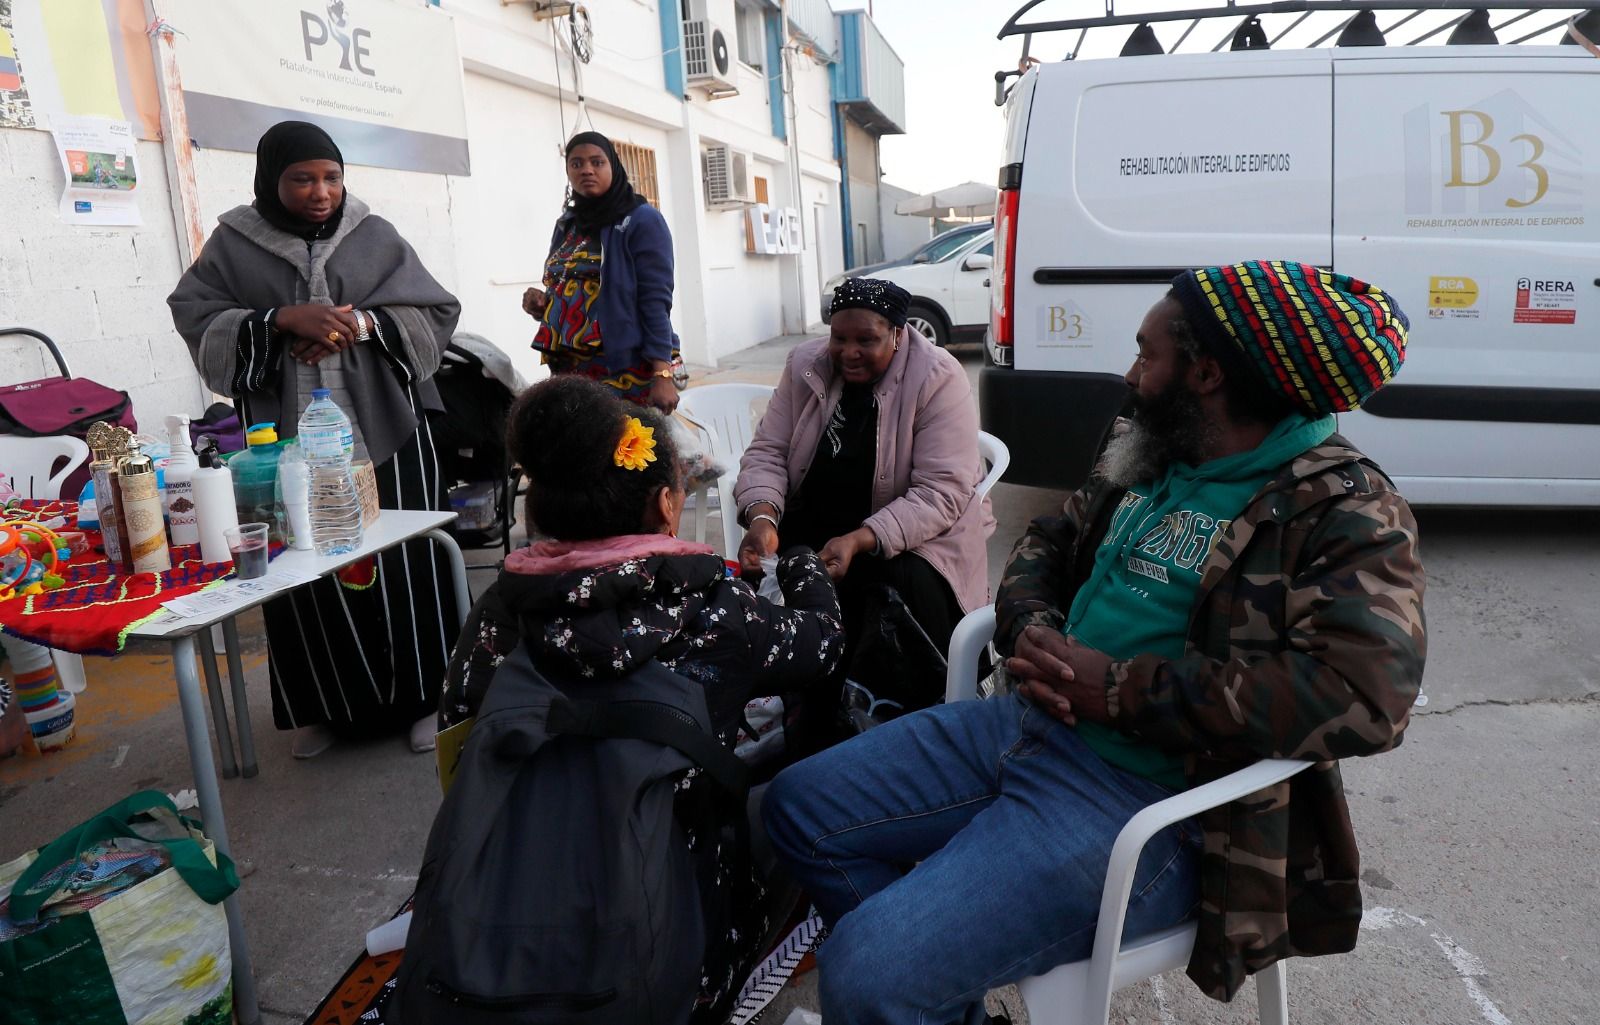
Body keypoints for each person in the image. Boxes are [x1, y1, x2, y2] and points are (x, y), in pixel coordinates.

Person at [762, 260, 1428, 1024]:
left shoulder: (1344, 509)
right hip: (1026, 721)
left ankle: (909, 976)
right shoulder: (1155, 445)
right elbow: (1046, 540)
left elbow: (1363, 697)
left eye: (1148, 354)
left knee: (864, 973)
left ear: (1208, 374)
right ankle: (938, 991)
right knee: (797, 808)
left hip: (1152, 804)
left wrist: (1112, 687)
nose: (1131, 371)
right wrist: (1031, 629)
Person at [437, 374, 844, 1015]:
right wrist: (799, 564)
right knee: (813, 780)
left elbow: (457, 733)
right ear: (663, 505)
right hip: (676, 919)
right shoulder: (712, 605)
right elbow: (822, 646)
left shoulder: (500, 607)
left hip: (515, 882)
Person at [168, 121, 462, 759]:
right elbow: (195, 314)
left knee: (407, 561)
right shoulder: (234, 243)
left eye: (330, 176)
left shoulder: (373, 234)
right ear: (272, 180)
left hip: (389, 432)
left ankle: (429, 698)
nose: (319, 192)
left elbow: (436, 311)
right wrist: (276, 322)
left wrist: (355, 323)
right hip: (286, 442)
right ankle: (329, 709)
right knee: (301, 562)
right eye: (301, 178)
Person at [733, 276, 992, 723]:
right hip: (819, 522)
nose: (848, 352)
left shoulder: (937, 376)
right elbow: (769, 452)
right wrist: (762, 515)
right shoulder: (804, 364)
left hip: (914, 538)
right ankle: (807, 706)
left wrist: (862, 538)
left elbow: (941, 491)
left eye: (865, 340)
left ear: (897, 333)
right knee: (777, 573)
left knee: (894, 583)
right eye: (839, 337)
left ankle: (887, 716)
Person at [523, 132, 679, 412]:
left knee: (628, 450)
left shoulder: (641, 220)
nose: (586, 170)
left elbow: (655, 300)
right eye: (576, 164)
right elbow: (569, 287)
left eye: (597, 162)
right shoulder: (568, 224)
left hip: (623, 367)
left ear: (613, 166)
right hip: (570, 369)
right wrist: (543, 305)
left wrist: (662, 373)